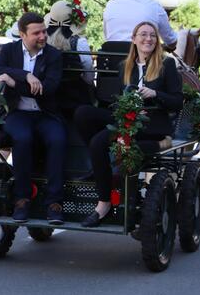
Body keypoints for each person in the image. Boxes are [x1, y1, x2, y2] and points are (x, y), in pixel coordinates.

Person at [74, 21, 183, 228]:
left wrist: (155, 94)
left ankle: (103, 204)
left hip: (151, 122)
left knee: (99, 142)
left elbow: (177, 101)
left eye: (152, 35)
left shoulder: (166, 64)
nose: (148, 39)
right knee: (83, 113)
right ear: (134, 39)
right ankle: (101, 164)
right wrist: (123, 108)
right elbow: (118, 100)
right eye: (143, 34)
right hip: (128, 118)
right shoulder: (125, 66)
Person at [0, 12, 67, 225]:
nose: (43, 36)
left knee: (58, 139)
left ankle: (54, 203)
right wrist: (25, 75)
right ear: (22, 35)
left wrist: (15, 83)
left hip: (45, 113)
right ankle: (21, 200)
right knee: (22, 138)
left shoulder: (53, 55)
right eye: (36, 33)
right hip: (17, 113)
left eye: (44, 31)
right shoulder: (9, 50)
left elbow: (48, 89)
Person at [45, 0, 95, 116]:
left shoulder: (43, 41)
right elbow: (89, 76)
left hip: (49, 96)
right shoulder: (79, 42)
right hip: (76, 98)